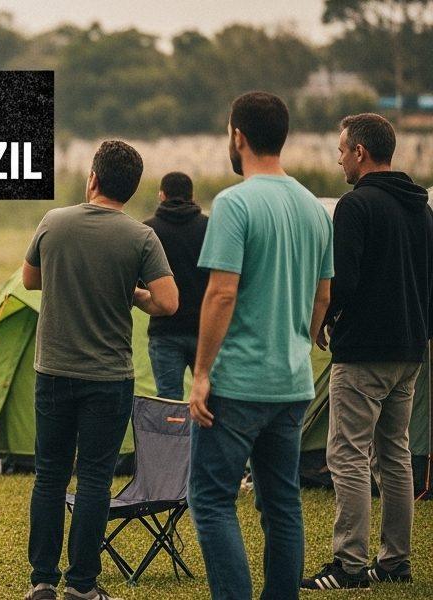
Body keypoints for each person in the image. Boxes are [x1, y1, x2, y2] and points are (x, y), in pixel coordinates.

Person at [188, 92, 333, 600]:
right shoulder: (314, 207)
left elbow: (222, 292)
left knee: (209, 499)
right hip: (292, 385)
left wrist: (202, 372)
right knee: (282, 504)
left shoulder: (234, 202)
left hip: (238, 385)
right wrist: (300, 341)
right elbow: (323, 296)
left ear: (238, 136)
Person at [21, 141, 178, 600]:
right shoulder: (141, 237)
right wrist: (132, 293)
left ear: (93, 177)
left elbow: (31, 279)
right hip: (108, 377)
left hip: (53, 370)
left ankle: (42, 581)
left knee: (49, 475)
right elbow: (168, 302)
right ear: (130, 190)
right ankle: (83, 586)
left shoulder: (54, 222)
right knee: (94, 478)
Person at [301, 113, 432, 591]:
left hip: (363, 353)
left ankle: (349, 565)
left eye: (342, 149)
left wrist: (328, 321)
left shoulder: (356, 207)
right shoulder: (421, 206)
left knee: (347, 455)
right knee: (395, 454)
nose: (338, 158)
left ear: (360, 151)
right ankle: (395, 560)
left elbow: (344, 279)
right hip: (409, 349)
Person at [143, 172, 209, 400]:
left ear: (162, 195)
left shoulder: (148, 231)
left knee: (168, 402)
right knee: (209, 402)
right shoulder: (209, 228)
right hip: (205, 331)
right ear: (192, 196)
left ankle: (171, 438)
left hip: (165, 332)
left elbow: (141, 280)